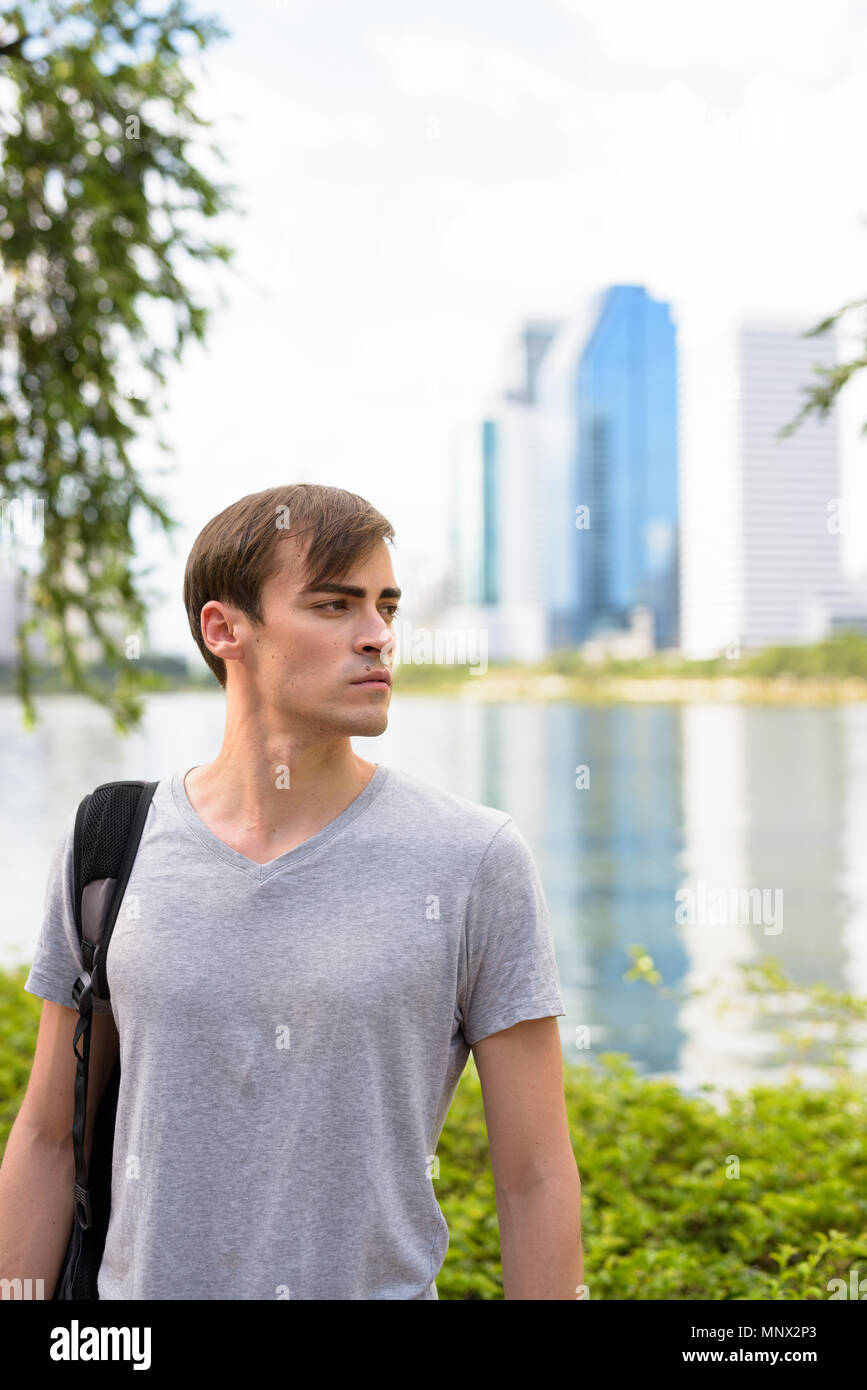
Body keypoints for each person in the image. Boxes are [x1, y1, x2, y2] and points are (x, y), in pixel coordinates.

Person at [0, 482, 582, 1300]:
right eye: (335, 605)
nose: (378, 636)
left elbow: (534, 1176)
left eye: (386, 606)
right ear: (223, 627)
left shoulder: (472, 858)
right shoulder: (109, 842)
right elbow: (49, 1137)